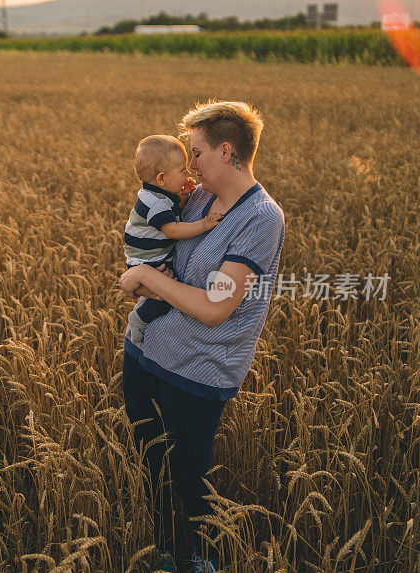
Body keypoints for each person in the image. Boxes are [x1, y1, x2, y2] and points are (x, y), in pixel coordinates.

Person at [118, 101, 285, 573]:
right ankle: (168, 555)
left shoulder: (261, 219)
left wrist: (145, 278)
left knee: (189, 484)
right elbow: (149, 237)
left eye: (196, 153)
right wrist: (145, 270)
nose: (189, 165)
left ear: (226, 151)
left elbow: (216, 307)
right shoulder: (196, 199)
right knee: (153, 468)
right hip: (145, 352)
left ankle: (199, 563)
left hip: (195, 372)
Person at [124, 134, 224, 344]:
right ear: (161, 178)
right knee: (168, 293)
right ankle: (139, 318)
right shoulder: (155, 203)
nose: (189, 173)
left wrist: (183, 199)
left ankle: (142, 311)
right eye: (182, 170)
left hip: (147, 253)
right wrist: (204, 224)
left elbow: (173, 211)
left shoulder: (159, 195)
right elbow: (174, 230)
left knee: (163, 289)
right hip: (146, 259)